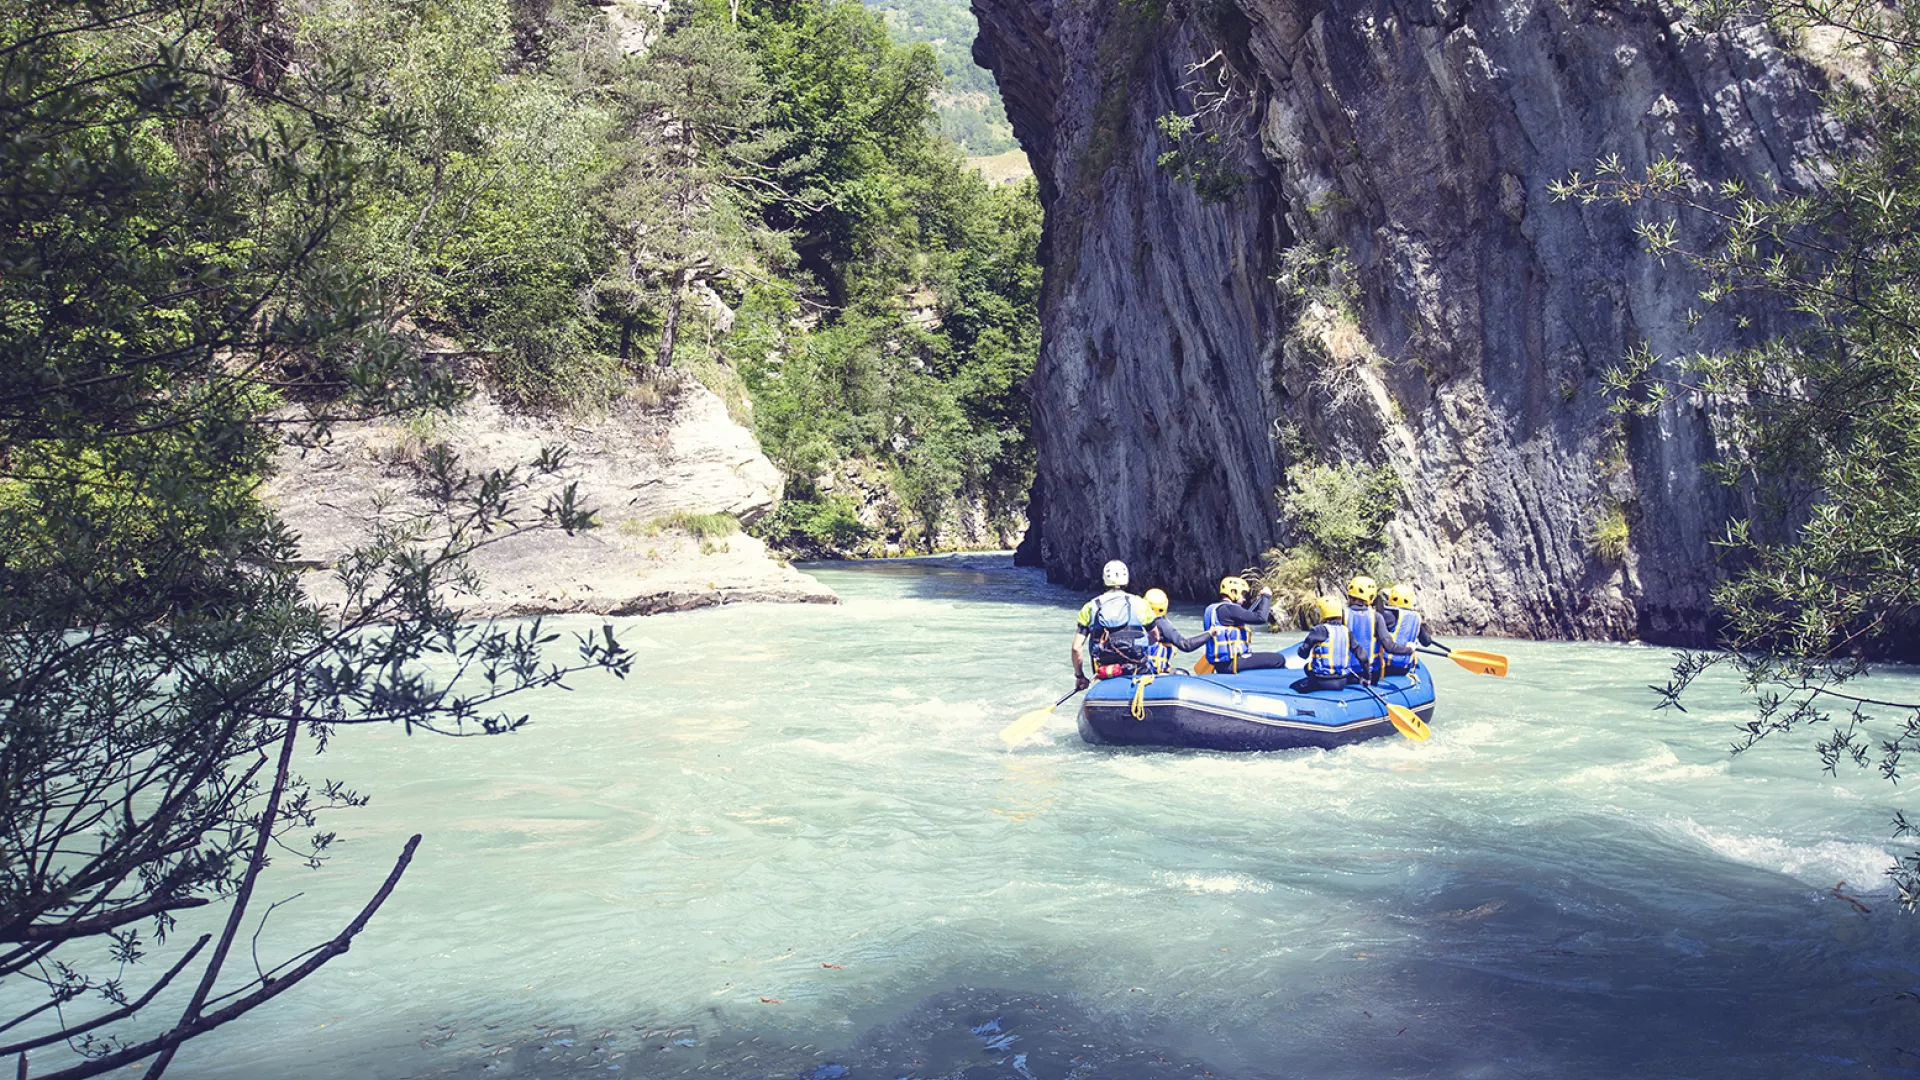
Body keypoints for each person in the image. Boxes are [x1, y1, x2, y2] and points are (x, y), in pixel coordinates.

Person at [1072, 559, 1156, 689]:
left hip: (1105, 670)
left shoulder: (1090, 607)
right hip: (1137, 668)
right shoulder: (1140, 604)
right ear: (1126, 581)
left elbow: (1076, 648)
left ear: (1104, 580)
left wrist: (1080, 676)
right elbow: (1155, 636)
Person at [1200, 576, 1289, 673]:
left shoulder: (1213, 609)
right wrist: (1266, 596)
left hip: (1220, 665)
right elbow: (1261, 618)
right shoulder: (1231, 609)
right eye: (1243, 594)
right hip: (1233, 663)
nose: (1244, 599)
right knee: (1279, 659)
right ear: (1233, 592)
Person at [1343, 575, 1412, 683]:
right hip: (1370, 674)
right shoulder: (1377, 617)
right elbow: (1390, 647)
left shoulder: (1341, 615)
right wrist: (1409, 650)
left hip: (1346, 674)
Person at [1141, 588, 1216, 674]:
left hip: (1140, 669)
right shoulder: (1161, 623)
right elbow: (1186, 645)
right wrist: (1210, 633)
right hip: (1156, 671)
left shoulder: (1139, 621)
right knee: (1184, 674)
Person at [1294, 594, 1359, 691]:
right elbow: (1361, 655)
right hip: (1342, 681)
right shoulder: (1346, 631)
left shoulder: (1319, 630)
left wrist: (1302, 649)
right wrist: (1367, 677)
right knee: (1308, 667)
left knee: (1298, 681)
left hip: (1322, 681)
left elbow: (1303, 654)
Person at [1380, 583, 1441, 678]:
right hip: (1403, 668)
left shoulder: (1386, 615)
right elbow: (1426, 642)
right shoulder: (1416, 618)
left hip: (1383, 667)